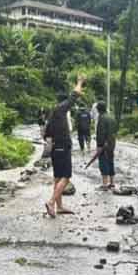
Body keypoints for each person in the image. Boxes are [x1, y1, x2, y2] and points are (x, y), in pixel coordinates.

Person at [44, 75, 86, 217]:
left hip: (56, 149)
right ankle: (51, 202)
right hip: (63, 147)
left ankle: (59, 207)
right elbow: (74, 96)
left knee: (57, 178)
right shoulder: (61, 109)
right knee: (66, 177)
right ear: (64, 102)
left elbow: (46, 135)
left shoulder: (51, 114)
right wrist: (80, 82)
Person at [89, 101, 117, 190]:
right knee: (111, 161)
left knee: (103, 163)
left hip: (104, 145)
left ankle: (105, 184)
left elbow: (100, 133)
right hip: (112, 143)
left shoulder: (101, 118)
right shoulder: (111, 117)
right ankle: (112, 182)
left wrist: (99, 146)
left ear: (98, 109)